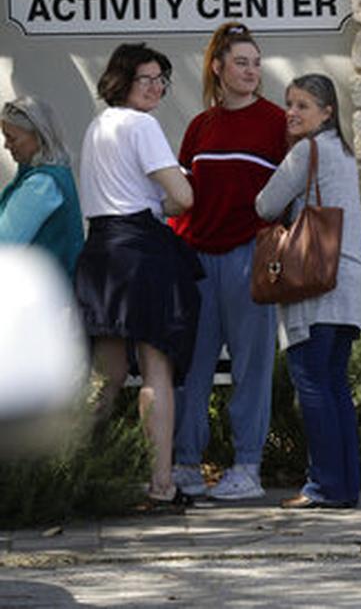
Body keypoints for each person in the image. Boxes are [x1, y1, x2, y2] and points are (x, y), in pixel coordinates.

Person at [75, 43, 200, 505]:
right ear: (122, 81)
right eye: (145, 79)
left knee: (104, 376)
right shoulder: (142, 125)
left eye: (160, 80)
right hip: (141, 253)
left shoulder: (96, 126)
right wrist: (165, 200)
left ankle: (77, 470)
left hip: (100, 251)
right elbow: (183, 197)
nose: (155, 88)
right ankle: (162, 483)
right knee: (155, 370)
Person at [172, 22, 288, 501]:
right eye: (241, 62)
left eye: (256, 63)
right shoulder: (200, 126)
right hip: (199, 260)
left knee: (252, 368)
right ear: (218, 68)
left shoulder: (276, 122)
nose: (251, 71)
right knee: (191, 371)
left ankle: (246, 466)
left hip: (250, 257)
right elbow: (182, 199)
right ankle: (185, 465)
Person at [255, 74, 361, 509]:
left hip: (316, 282)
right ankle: (344, 487)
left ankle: (321, 486)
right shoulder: (344, 153)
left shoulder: (306, 151)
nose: (292, 112)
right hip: (353, 283)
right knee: (336, 386)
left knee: (313, 386)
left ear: (327, 112)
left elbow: (264, 205)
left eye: (303, 105)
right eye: (290, 103)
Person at [0, 96, 83, 277]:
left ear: (39, 136)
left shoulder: (42, 184)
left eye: (12, 138)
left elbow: (5, 243)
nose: (6, 145)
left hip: (40, 295)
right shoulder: (52, 175)